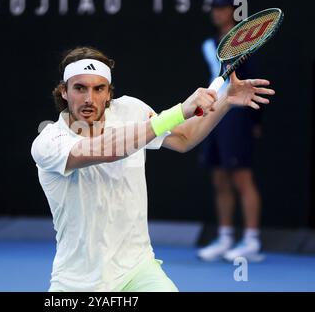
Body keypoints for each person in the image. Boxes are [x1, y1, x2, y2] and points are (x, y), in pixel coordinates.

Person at [31, 46, 274, 291]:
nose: (88, 99)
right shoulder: (49, 142)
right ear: (64, 91)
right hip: (77, 282)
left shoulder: (131, 110)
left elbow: (184, 138)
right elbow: (107, 149)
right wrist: (179, 111)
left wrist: (225, 100)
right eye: (79, 88)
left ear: (108, 93)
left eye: (98, 88)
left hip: (138, 271)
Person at [197, 0, 265, 262]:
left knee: (241, 177)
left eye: (222, 8)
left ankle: (251, 241)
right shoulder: (207, 44)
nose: (217, 12)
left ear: (233, 11)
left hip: (237, 116)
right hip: (213, 114)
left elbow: (254, 83)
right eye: (214, 8)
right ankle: (225, 237)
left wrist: (256, 120)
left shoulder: (246, 44)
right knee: (219, 177)